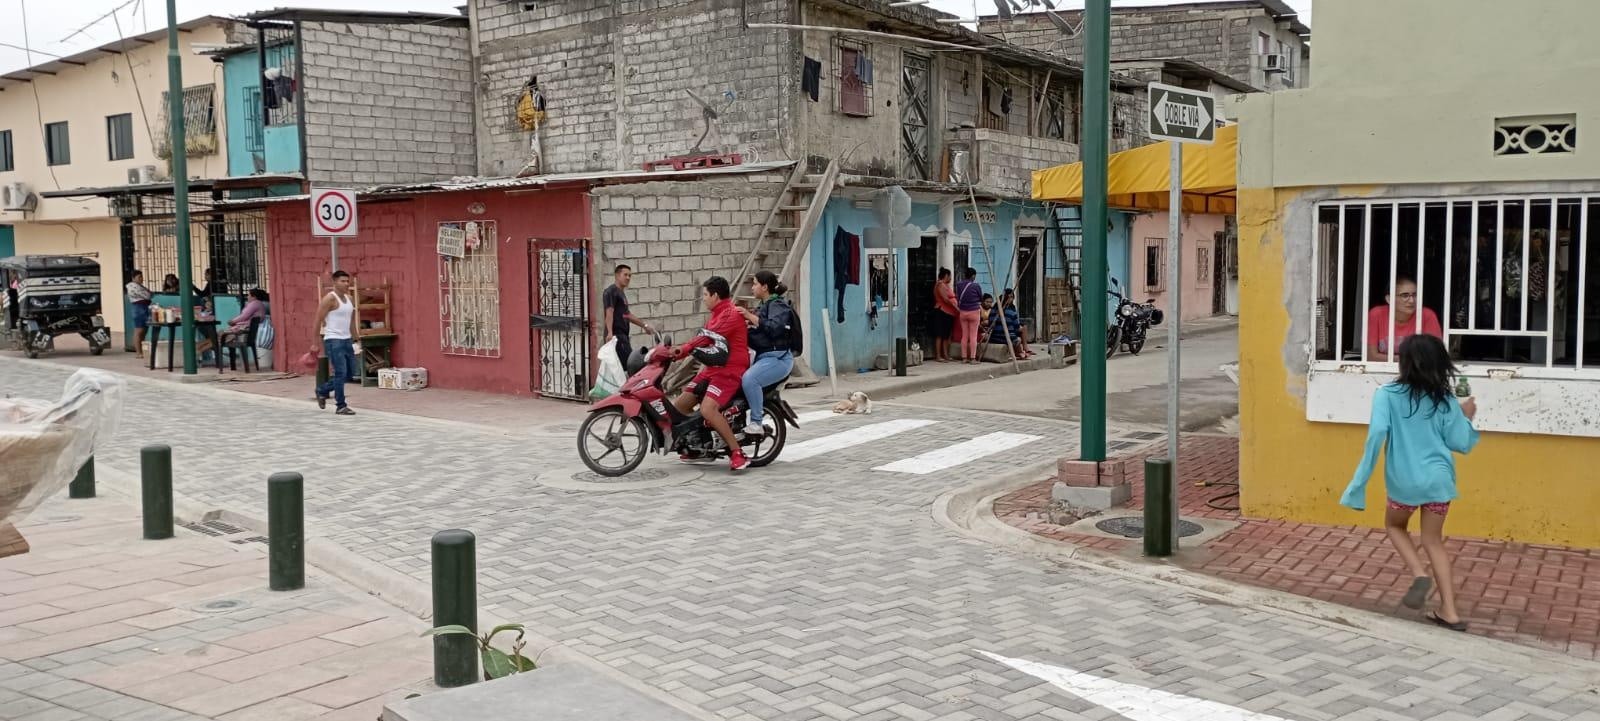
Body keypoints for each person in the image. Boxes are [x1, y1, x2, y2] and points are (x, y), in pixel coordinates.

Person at [1341, 334, 1478, 632]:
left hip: (1404, 482)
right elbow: (1461, 443)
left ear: (1403, 363)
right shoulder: (1444, 401)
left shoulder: (1386, 394)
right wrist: (1467, 417)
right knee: (1433, 541)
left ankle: (1418, 574)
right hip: (1439, 482)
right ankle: (1450, 613)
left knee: (1394, 526)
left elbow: (1377, 435)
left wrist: (1359, 481)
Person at [670, 276, 751, 471]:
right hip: (713, 369)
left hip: (730, 370)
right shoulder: (716, 314)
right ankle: (699, 446)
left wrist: (684, 349)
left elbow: (707, 338)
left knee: (708, 409)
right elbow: (703, 337)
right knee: (680, 404)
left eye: (705, 295)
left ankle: (737, 452)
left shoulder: (731, 314)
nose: (703, 299)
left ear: (715, 295)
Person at [738, 271, 796, 437]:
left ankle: (756, 423)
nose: (752, 288)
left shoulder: (778, 305)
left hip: (778, 358)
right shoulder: (763, 306)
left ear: (764, 287)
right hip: (763, 357)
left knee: (750, 379)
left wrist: (749, 316)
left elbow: (774, 327)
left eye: (755, 284)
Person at [313, 271, 361, 416]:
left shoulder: (350, 299)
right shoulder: (329, 299)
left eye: (347, 281)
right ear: (334, 282)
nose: (346, 283)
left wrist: (357, 339)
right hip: (333, 340)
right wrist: (314, 342)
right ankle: (341, 405)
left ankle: (322, 390)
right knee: (340, 372)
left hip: (347, 340)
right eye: (342, 281)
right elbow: (317, 320)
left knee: (350, 373)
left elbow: (352, 321)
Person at [1366, 276, 1441, 361]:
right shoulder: (1376, 314)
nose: (1412, 301)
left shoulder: (1427, 315)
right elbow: (1370, 356)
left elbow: (1435, 355)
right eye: (1405, 295)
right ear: (1389, 299)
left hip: (1418, 372)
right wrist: (1410, 360)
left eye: (1414, 295)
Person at [602, 264, 653, 368]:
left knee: (622, 368)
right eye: (625, 275)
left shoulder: (621, 293)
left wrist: (644, 326)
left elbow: (627, 315)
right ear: (617, 275)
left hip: (623, 336)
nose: (628, 278)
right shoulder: (611, 292)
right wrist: (610, 333)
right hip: (616, 336)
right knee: (629, 365)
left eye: (630, 275)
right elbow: (609, 312)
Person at [990, 289, 1032, 359]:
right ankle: (1021, 352)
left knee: (1019, 331)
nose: (1011, 299)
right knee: (1018, 338)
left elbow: (990, 323)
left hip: (994, 337)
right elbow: (1016, 327)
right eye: (1010, 297)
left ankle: (1023, 350)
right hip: (1004, 337)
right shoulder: (1011, 312)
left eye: (1012, 297)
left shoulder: (993, 309)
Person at [954, 267, 983, 365]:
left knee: (964, 336)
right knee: (973, 336)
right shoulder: (976, 286)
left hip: (963, 312)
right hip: (974, 312)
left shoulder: (959, 285)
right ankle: (973, 358)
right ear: (973, 276)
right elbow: (980, 297)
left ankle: (964, 358)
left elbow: (958, 297)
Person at [932, 268, 958, 362]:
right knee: (940, 334)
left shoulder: (945, 285)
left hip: (948, 313)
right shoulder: (940, 285)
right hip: (942, 311)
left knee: (946, 335)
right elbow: (946, 299)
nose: (951, 278)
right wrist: (956, 308)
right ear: (946, 275)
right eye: (950, 276)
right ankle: (939, 356)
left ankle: (946, 355)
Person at [126, 270, 153, 359]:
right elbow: (147, 295)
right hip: (138, 307)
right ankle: (138, 352)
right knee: (139, 330)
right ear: (133, 278)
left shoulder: (140, 286)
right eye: (139, 277)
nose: (141, 279)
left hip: (145, 307)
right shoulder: (132, 286)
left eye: (141, 277)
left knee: (144, 330)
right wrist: (148, 294)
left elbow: (149, 294)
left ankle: (142, 350)